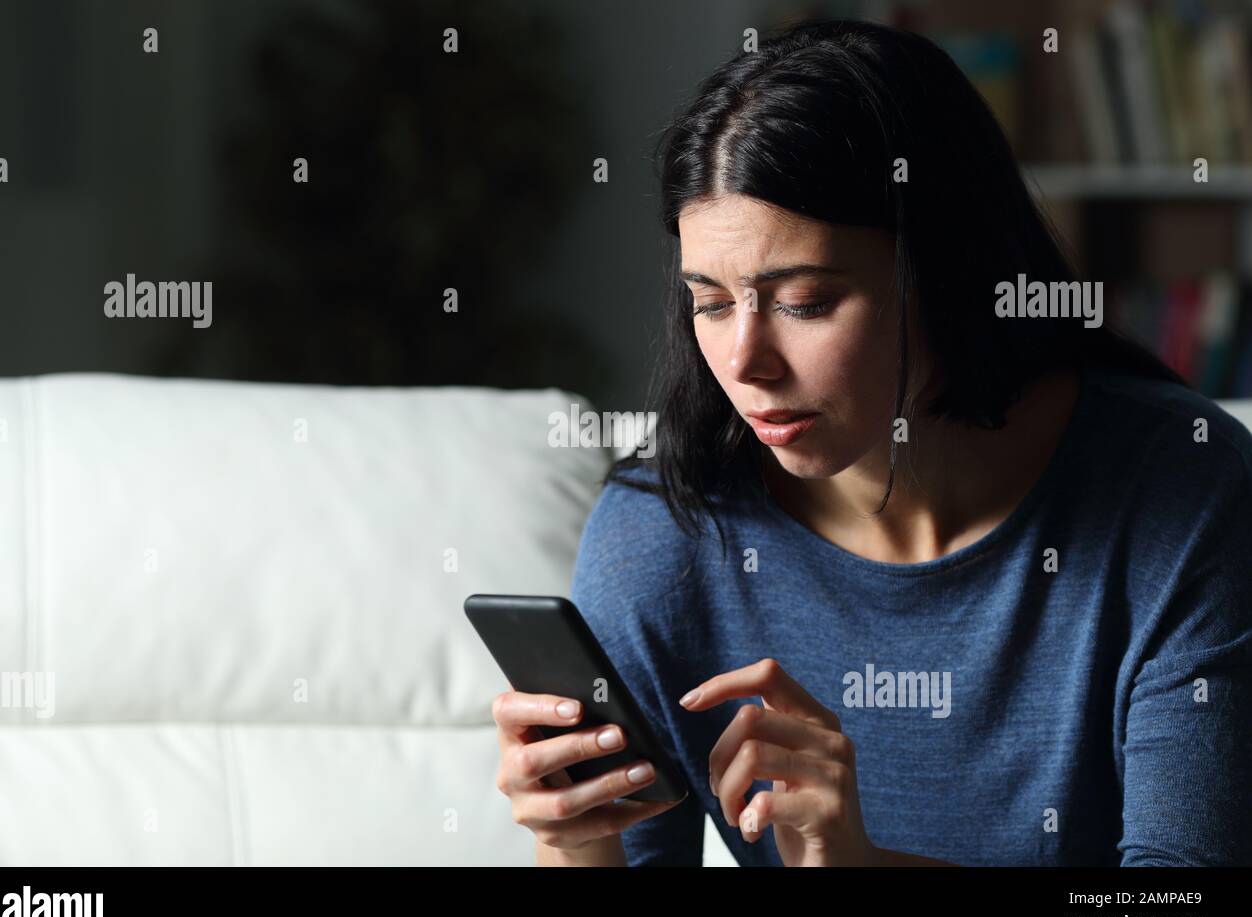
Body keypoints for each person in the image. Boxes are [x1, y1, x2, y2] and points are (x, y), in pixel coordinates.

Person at [491, 17, 1252, 866]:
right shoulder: (664, 529)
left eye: (806, 300)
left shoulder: (1182, 488)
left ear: (947, 273)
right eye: (708, 301)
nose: (745, 363)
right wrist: (570, 836)